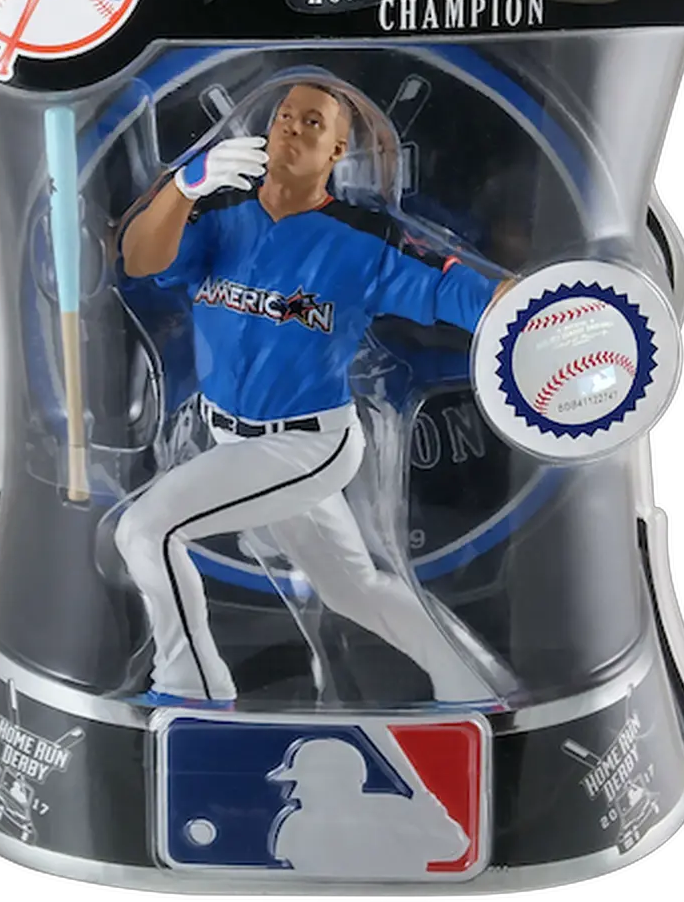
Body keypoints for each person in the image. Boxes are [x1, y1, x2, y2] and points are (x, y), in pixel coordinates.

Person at [114, 66, 512, 707]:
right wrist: (184, 186)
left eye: (312, 123)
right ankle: (473, 685)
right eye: (283, 117)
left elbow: (454, 289)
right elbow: (140, 258)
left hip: (306, 445)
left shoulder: (361, 237)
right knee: (351, 589)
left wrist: (542, 309)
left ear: (336, 152)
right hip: (235, 440)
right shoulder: (223, 216)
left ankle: (193, 686)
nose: (291, 129)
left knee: (145, 530)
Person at [269, 737, 468, 877]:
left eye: (303, 784)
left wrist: (433, 816)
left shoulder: (395, 811)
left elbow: (451, 847)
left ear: (334, 783)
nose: (292, 795)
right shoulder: (296, 825)